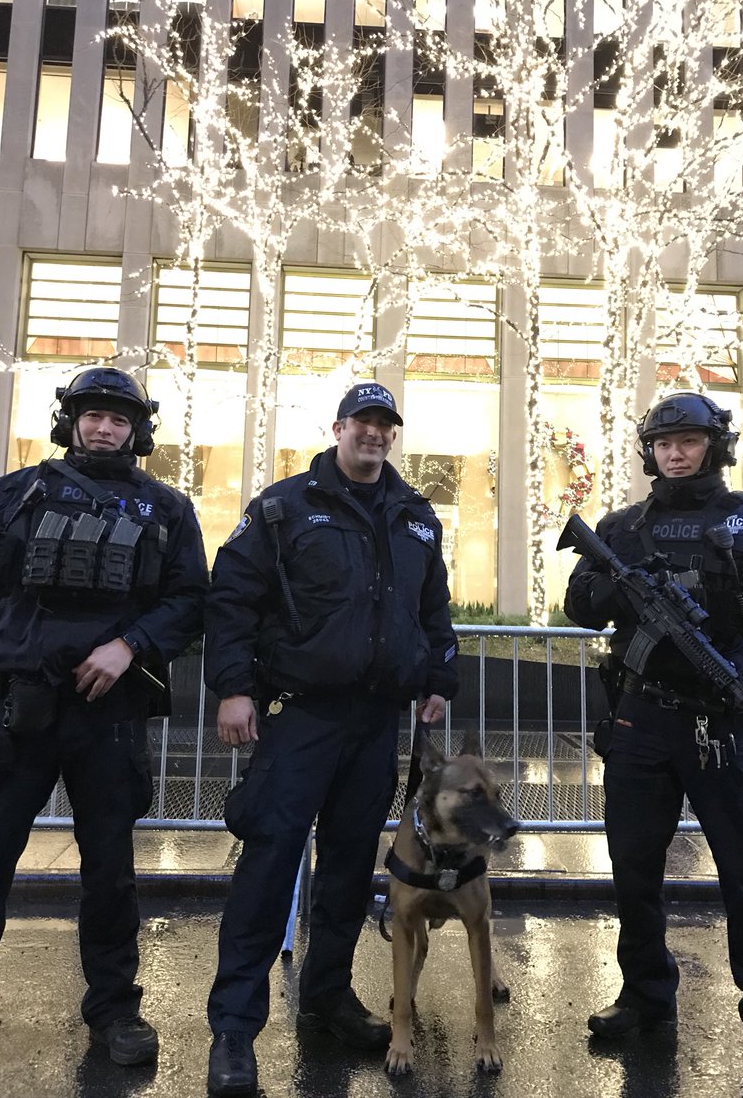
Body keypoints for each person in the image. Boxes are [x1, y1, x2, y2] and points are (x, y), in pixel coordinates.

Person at [0, 367, 208, 1064]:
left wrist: (130, 645)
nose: (105, 427)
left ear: (137, 430)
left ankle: (115, 1012)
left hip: (106, 715)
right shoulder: (14, 492)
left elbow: (190, 600)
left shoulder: (167, 509)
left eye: (119, 419)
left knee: (110, 873)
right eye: (94, 415)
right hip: (15, 707)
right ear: (71, 421)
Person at [203, 381, 458, 1097]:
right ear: (339, 428)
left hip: (375, 722)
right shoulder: (282, 507)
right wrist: (233, 688)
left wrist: (440, 678)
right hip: (300, 717)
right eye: (362, 423)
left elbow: (433, 610)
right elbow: (231, 600)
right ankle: (234, 1029)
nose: (373, 434)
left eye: (385, 425)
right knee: (269, 867)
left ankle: (326, 999)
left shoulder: (415, 517)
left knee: (348, 869)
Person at [562, 392, 743, 1085]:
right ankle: (646, 995)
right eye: (664, 444)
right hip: (641, 721)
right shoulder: (620, 527)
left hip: (724, 723)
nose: (675, 454)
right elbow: (580, 606)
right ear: (651, 452)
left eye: (689, 442)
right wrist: (621, 590)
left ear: (716, 447)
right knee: (634, 871)